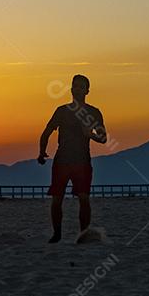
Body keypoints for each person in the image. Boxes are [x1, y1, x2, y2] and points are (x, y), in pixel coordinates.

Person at [38, 74, 107, 243]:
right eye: (75, 86)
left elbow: (104, 137)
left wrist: (90, 134)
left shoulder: (94, 112)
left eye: (81, 87)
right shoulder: (62, 111)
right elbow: (46, 132)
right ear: (71, 89)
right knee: (56, 199)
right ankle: (57, 234)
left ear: (87, 91)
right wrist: (41, 152)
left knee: (83, 198)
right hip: (62, 160)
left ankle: (83, 234)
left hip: (82, 161)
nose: (77, 89)